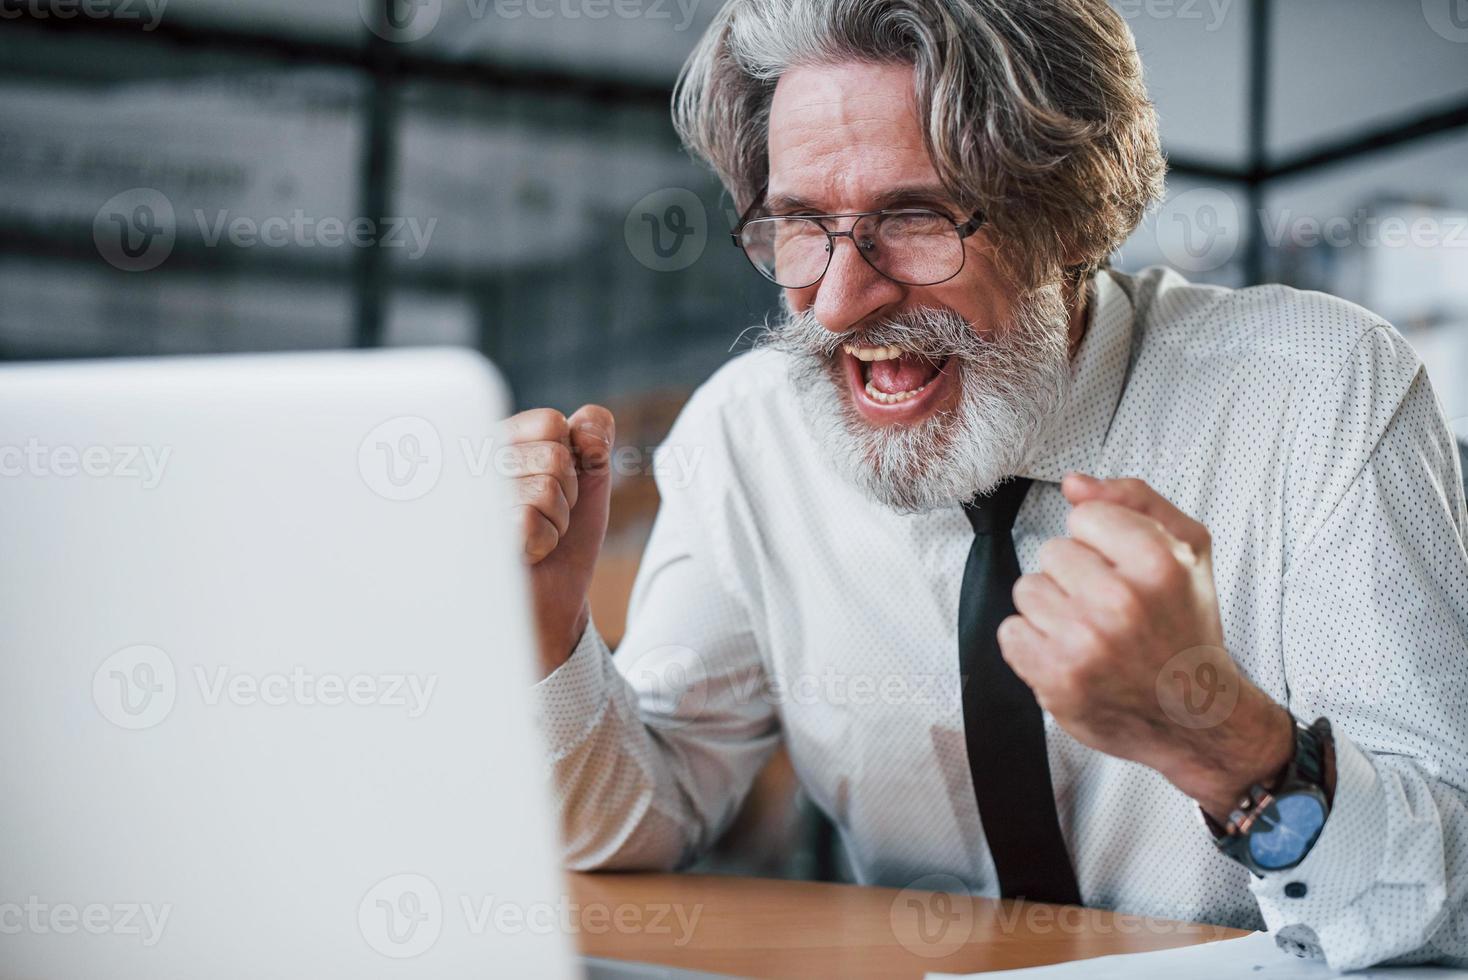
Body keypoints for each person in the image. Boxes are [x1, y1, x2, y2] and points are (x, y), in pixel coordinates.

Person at [500, 0, 1468, 969]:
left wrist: (1230, 743)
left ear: (1068, 214)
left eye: (914, 219)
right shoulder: (749, 437)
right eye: (800, 226)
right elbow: (649, 810)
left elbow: (1451, 900)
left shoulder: (1323, 389)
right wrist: (546, 630)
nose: (837, 301)